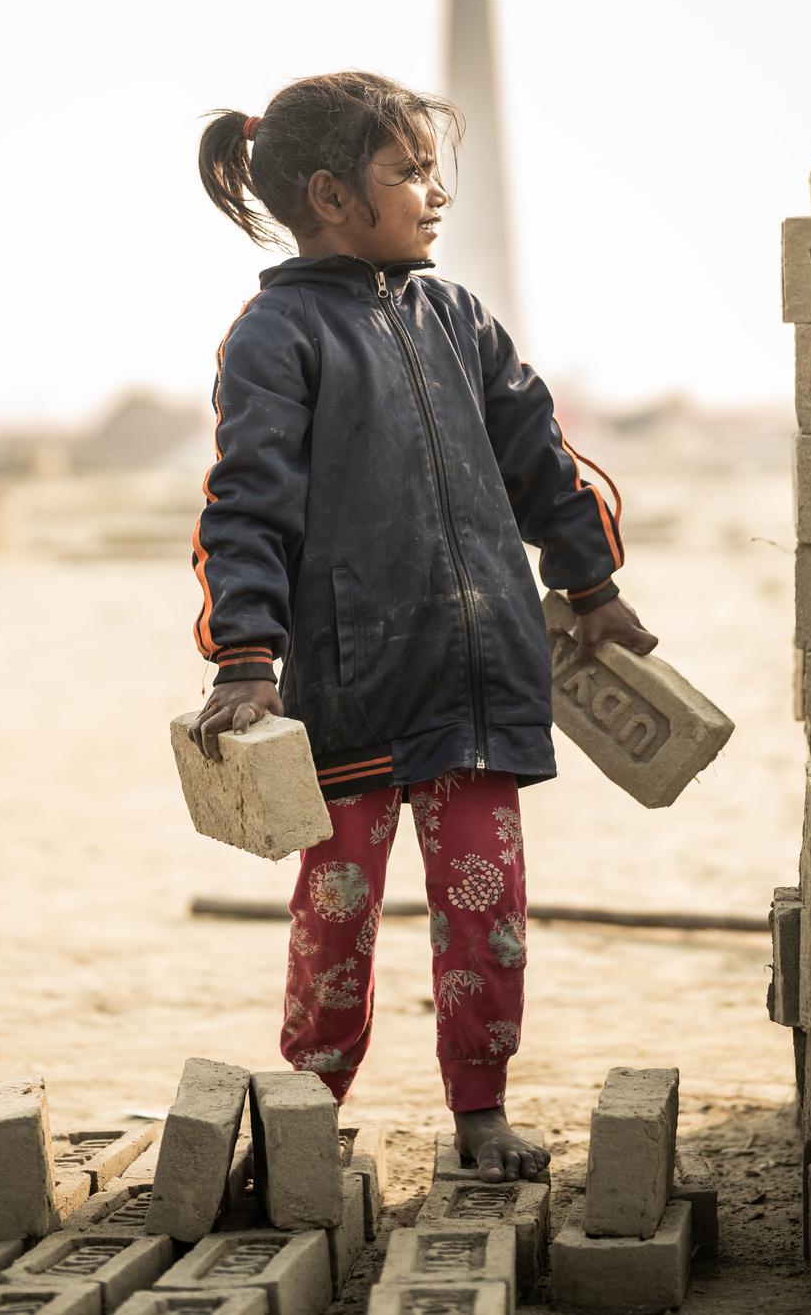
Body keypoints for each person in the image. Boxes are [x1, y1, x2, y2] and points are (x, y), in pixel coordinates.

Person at [186, 70, 656, 1183]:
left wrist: (593, 588)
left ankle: (482, 1111)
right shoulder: (274, 335)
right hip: (348, 690)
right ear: (331, 195)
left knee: (485, 911)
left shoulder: (460, 319)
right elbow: (243, 501)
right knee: (335, 915)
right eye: (409, 172)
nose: (434, 194)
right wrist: (247, 659)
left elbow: (541, 461)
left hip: (479, 680)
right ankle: (305, 1110)